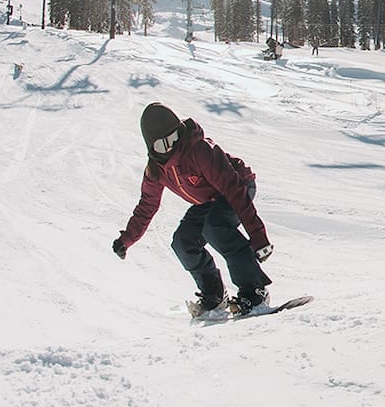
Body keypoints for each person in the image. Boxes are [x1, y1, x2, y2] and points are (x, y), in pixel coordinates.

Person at [112, 103, 275, 316]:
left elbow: (233, 189)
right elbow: (147, 206)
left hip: (238, 186)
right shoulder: (155, 170)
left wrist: (258, 237)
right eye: (162, 145)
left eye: (174, 138)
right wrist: (127, 239)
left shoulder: (199, 150)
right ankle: (214, 295)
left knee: (215, 227)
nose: (171, 147)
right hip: (209, 201)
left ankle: (254, 291)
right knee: (183, 241)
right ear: (151, 148)